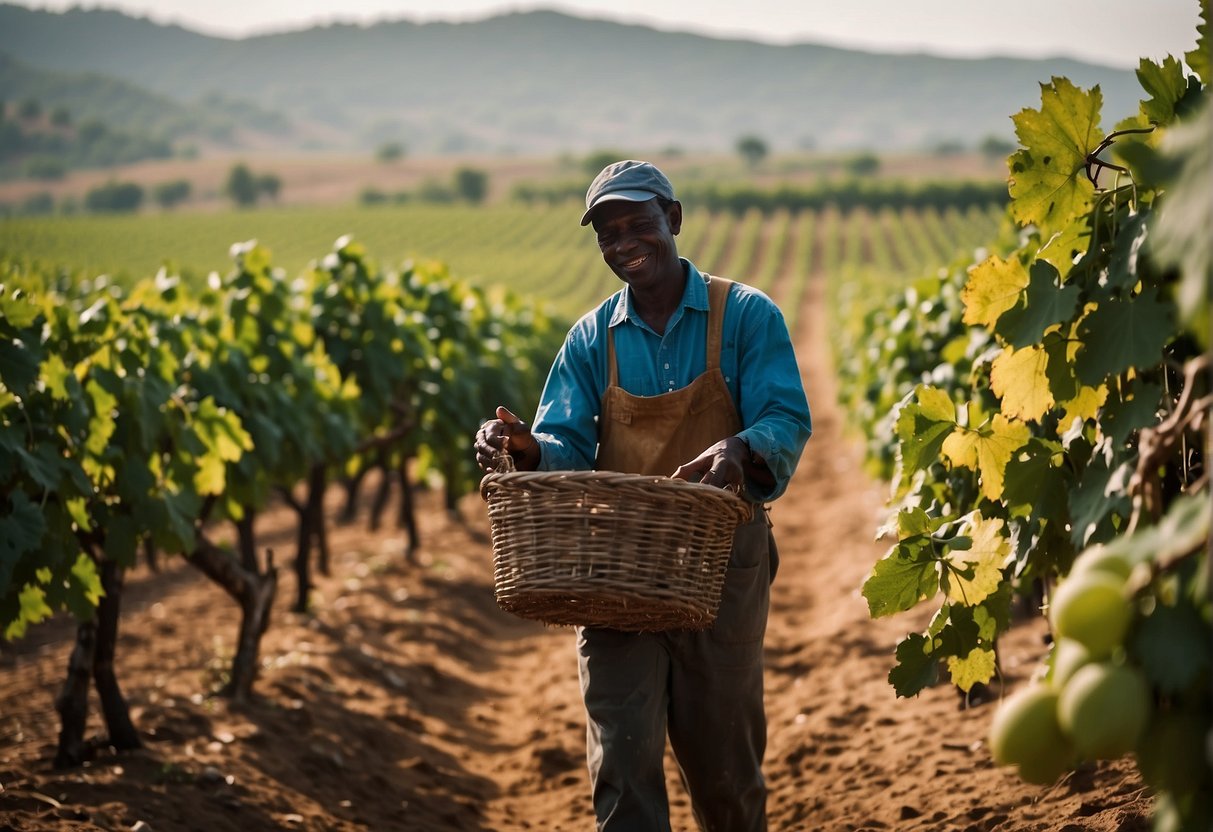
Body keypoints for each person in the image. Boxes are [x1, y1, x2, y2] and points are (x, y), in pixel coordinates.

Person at [474, 159, 811, 831]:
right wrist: (525, 449)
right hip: (614, 573)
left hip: (720, 570)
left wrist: (741, 447)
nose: (623, 243)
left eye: (638, 224)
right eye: (607, 233)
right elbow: (563, 444)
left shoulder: (743, 316)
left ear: (674, 219)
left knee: (724, 768)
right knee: (622, 767)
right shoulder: (590, 338)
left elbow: (785, 419)